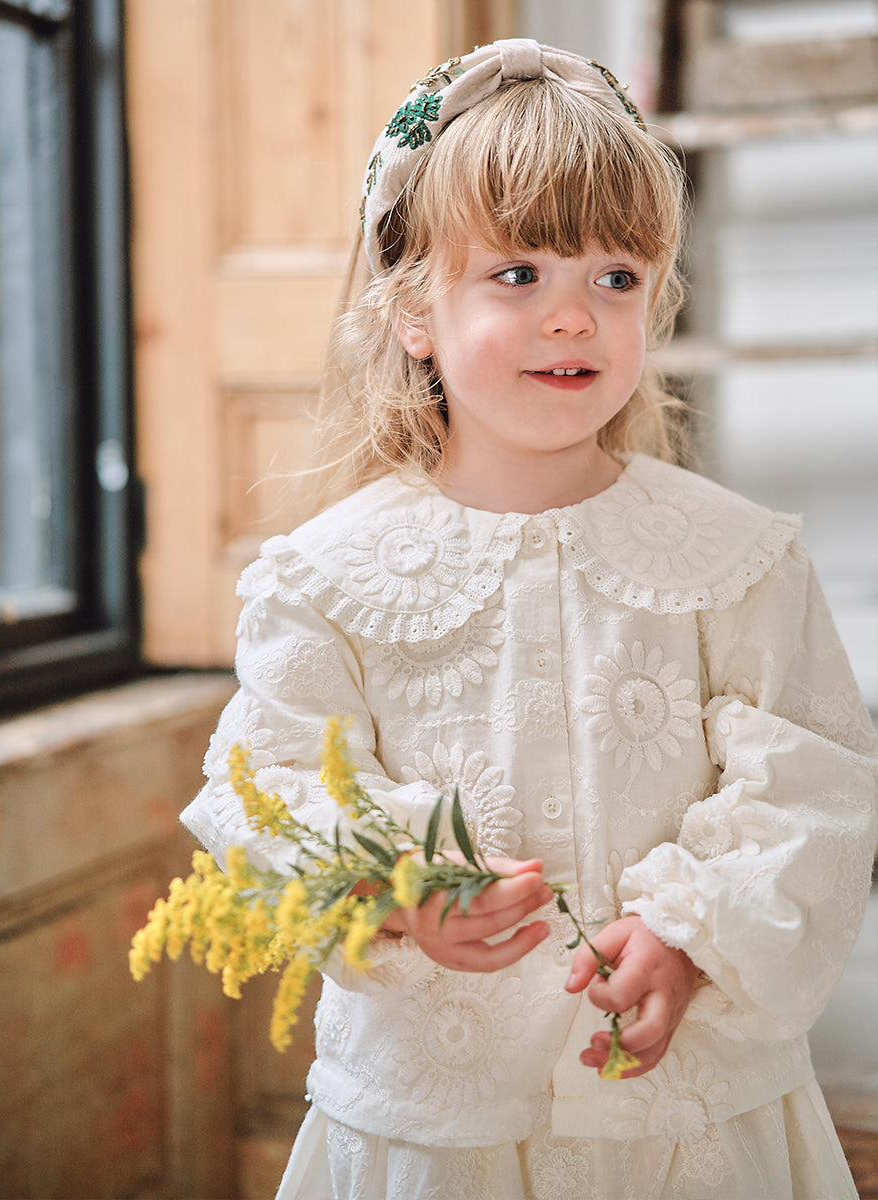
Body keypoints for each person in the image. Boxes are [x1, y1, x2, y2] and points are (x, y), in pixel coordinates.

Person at [181, 39, 877, 1200]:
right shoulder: (324, 579)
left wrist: (694, 935)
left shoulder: (738, 556)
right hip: (437, 1128)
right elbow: (273, 788)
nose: (573, 318)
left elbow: (817, 781)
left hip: (690, 1123)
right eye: (519, 274)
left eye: (616, 278)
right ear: (413, 310)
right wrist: (399, 890)